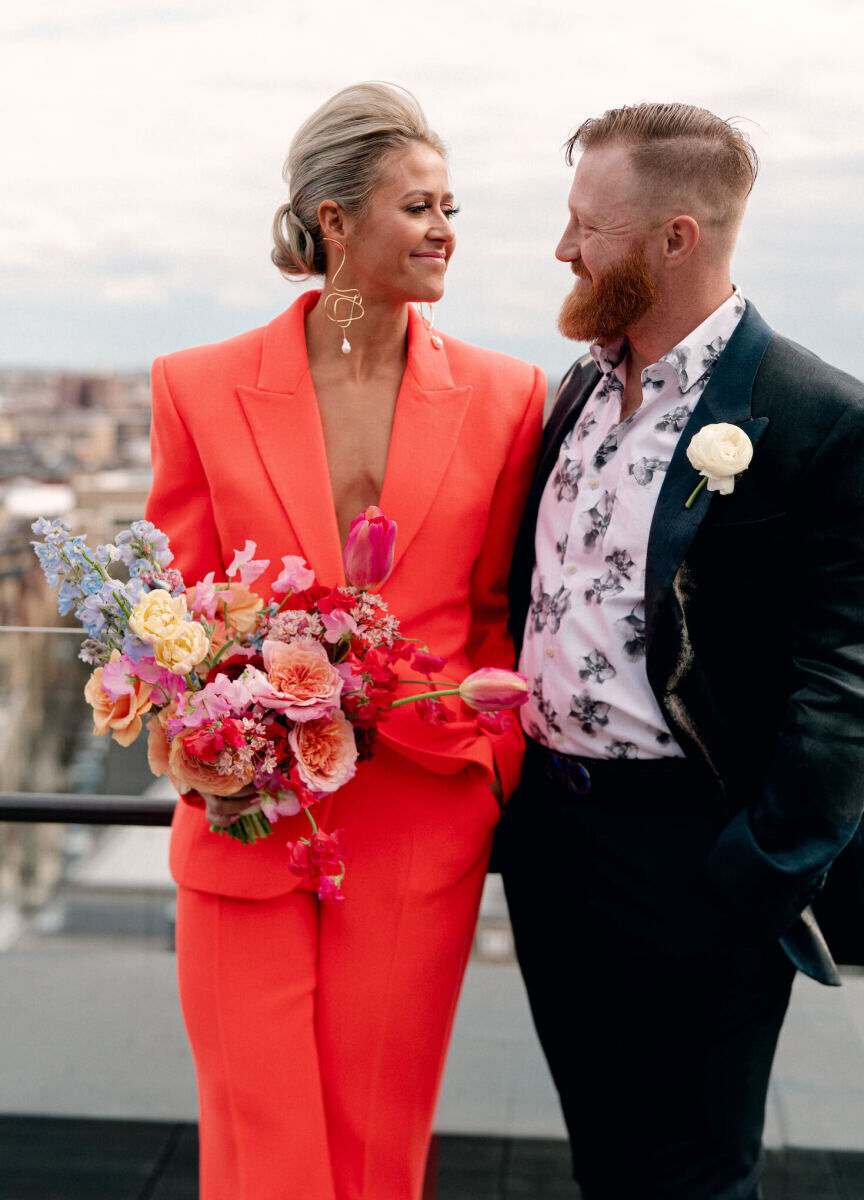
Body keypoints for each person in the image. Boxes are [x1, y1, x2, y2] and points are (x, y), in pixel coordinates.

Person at [145, 82, 544, 1200]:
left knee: (379, 1139)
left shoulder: (513, 396)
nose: (446, 230)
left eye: (451, 205)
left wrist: (482, 764)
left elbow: (503, 609)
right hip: (247, 809)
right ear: (333, 219)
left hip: (422, 809)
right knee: (255, 1131)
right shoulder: (199, 386)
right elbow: (170, 612)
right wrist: (207, 727)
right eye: (418, 206)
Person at [498, 102, 864, 1200]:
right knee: (606, 1156)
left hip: (697, 852)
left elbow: (846, 676)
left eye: (586, 225)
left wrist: (761, 867)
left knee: (696, 1175)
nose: (563, 250)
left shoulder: (815, 414)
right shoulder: (578, 389)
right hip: (556, 843)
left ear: (675, 237)